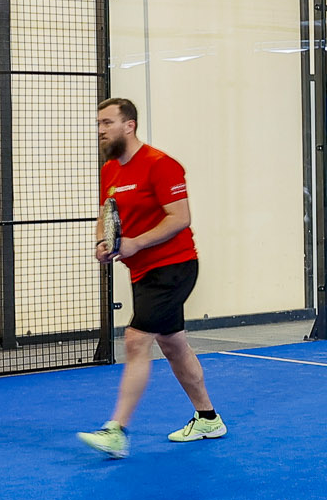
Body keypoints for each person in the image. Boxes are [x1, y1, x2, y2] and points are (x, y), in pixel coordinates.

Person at [77, 98, 225, 458]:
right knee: (173, 345)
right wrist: (104, 243)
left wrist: (135, 243)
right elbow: (106, 213)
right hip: (143, 271)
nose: (100, 129)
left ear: (129, 125)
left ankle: (116, 431)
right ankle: (208, 418)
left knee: (135, 339)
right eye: (98, 123)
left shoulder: (161, 165)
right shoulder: (110, 170)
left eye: (107, 122)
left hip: (175, 267)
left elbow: (180, 217)